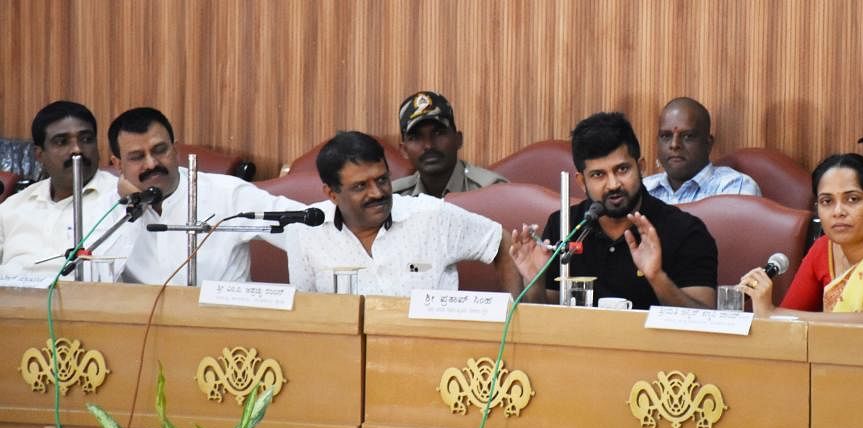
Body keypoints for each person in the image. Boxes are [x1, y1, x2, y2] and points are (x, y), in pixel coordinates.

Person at [509, 112, 718, 309]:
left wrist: (657, 277)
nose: (613, 184)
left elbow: (705, 323)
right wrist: (534, 282)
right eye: (599, 175)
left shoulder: (686, 231)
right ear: (582, 181)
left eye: (622, 169)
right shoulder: (563, 227)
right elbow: (548, 321)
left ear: (641, 167)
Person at [287, 131, 521, 296]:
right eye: (360, 186)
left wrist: (512, 318)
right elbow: (307, 313)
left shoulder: (431, 216)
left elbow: (501, 242)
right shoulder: (306, 232)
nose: (377, 193)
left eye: (382, 180)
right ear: (332, 194)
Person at [107, 107, 304, 285]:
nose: (151, 164)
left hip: (221, 318)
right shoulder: (106, 205)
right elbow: (95, 275)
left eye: (160, 151)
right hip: (139, 320)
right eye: (137, 157)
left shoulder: (226, 194)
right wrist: (131, 209)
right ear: (118, 164)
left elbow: (306, 227)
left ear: (175, 151)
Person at [739, 153, 863, 323]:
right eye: (827, 201)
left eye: (852, 199)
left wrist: (772, 313)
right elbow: (788, 319)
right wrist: (767, 309)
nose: (838, 212)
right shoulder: (824, 249)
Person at [0, 101, 120, 277]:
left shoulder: (121, 201)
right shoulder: (13, 207)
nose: (77, 149)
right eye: (61, 142)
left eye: (86, 139)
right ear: (39, 154)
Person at [642, 97, 760, 204]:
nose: (674, 145)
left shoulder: (734, 187)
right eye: (666, 136)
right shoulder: (643, 190)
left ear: (708, 144)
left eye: (687, 136)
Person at [391, 91, 506, 197]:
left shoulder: (491, 191)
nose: (429, 145)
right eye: (416, 138)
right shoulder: (396, 197)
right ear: (404, 150)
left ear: (458, 139)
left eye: (438, 133)